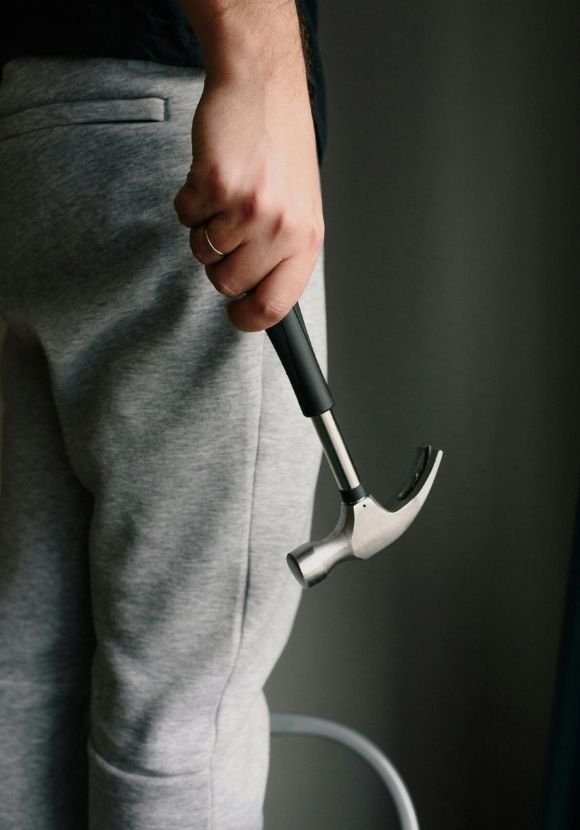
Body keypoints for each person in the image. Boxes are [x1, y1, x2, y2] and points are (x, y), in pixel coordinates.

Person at [0, 1, 327, 828]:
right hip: (163, 118)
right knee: (182, 726)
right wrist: (255, 63)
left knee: (23, 680)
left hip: (23, 130)